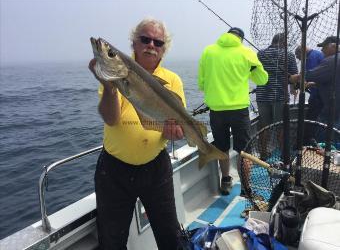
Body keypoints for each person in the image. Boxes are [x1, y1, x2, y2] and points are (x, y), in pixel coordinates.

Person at [88, 18, 186, 250]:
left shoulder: (172, 80)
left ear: (164, 48)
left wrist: (176, 133)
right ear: (134, 43)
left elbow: (179, 130)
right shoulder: (117, 74)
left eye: (157, 41)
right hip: (114, 171)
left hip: (156, 168)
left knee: (170, 235)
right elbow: (111, 119)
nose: (151, 44)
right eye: (145, 39)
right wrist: (110, 87)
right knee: (112, 242)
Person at [198, 27, 268, 195]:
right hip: (239, 110)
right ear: (241, 39)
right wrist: (252, 69)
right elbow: (262, 79)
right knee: (244, 149)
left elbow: (201, 84)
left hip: (216, 111)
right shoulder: (246, 52)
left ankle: (226, 180)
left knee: (221, 148)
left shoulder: (208, 51)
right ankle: (245, 187)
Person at [256, 33, 298, 158]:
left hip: (262, 96)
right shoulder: (289, 55)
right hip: (280, 97)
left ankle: (263, 153)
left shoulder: (260, 54)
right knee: (281, 126)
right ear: (284, 43)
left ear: (273, 41)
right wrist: (293, 88)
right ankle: (284, 155)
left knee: (264, 126)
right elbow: (294, 77)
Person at [290, 36, 340, 130]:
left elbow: (311, 75)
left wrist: (295, 78)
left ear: (333, 46)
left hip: (328, 105)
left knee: (319, 129)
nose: (322, 50)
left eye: (324, 47)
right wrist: (312, 84)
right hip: (329, 103)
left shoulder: (331, 60)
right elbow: (330, 79)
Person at [295, 45, 324, 121]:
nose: (299, 59)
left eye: (298, 56)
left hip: (318, 95)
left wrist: (301, 82)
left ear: (302, 52)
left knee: (311, 118)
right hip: (321, 94)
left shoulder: (311, 58)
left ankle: (310, 132)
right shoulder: (316, 54)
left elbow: (311, 76)